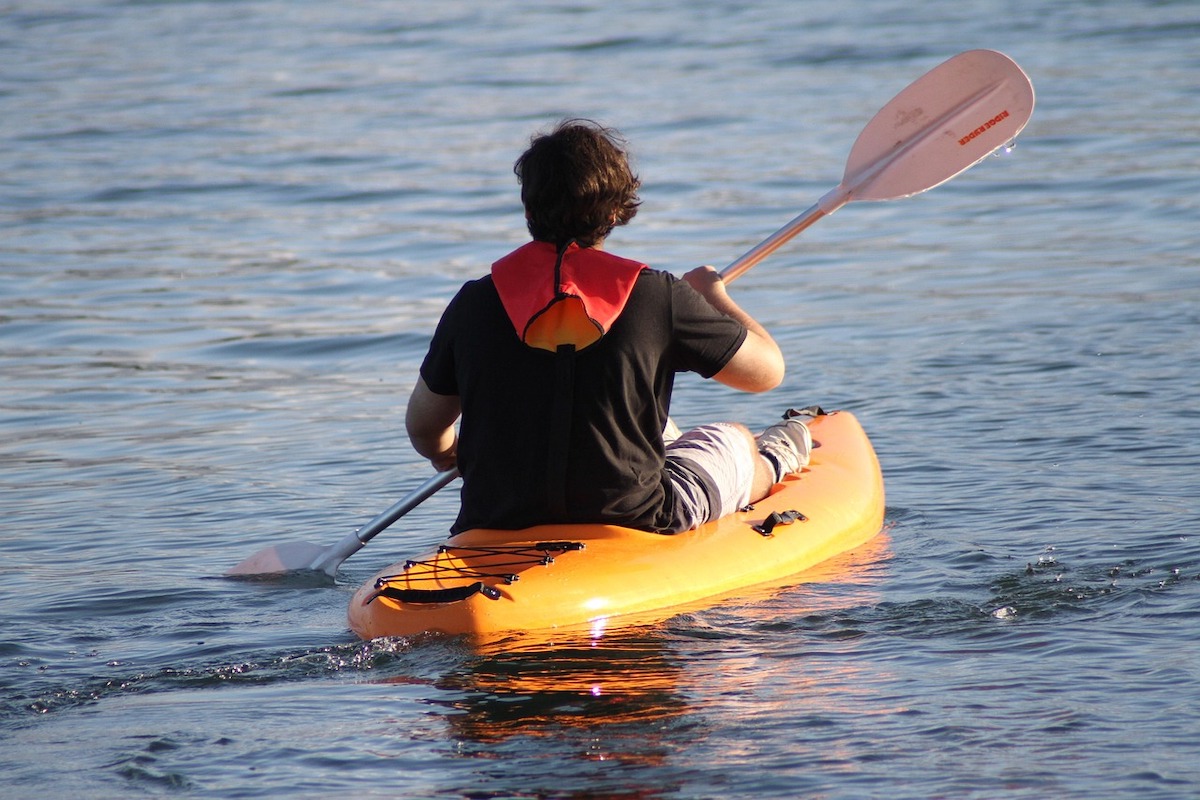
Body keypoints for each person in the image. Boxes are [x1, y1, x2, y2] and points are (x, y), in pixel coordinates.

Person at [406, 118, 811, 535]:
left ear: (528, 209)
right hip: (638, 517)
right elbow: (766, 373)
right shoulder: (659, 296)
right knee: (733, 438)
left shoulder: (473, 302)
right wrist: (713, 295)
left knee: (661, 430)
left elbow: (423, 428)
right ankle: (776, 457)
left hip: (495, 519)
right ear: (616, 211)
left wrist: (449, 455)